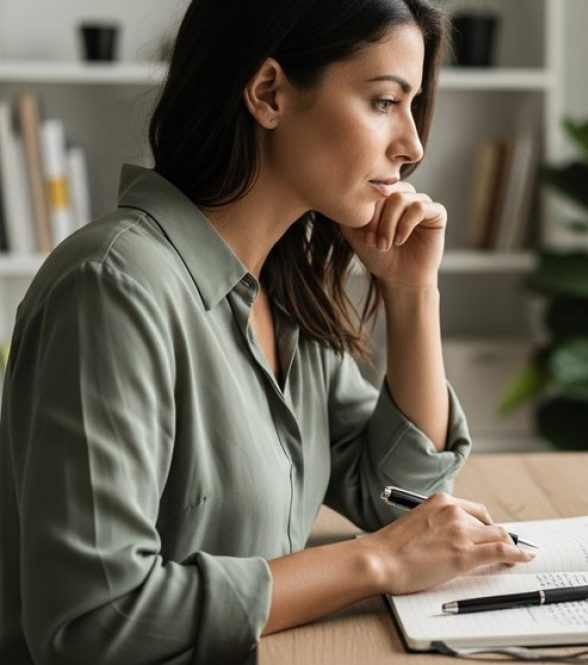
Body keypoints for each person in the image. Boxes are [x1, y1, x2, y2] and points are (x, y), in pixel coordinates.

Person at [0, 1, 535, 662]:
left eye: (411, 104)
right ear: (269, 93)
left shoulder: (283, 295)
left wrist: (411, 290)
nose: (413, 145)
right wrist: (372, 564)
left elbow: (404, 504)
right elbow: (93, 620)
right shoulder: (114, 289)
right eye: (383, 102)